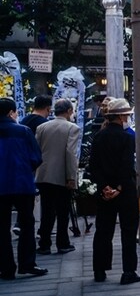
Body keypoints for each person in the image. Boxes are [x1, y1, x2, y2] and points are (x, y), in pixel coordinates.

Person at [88, 98, 140, 285]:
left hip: (104, 191)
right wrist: (118, 188)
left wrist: (105, 187)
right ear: (120, 116)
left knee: (103, 230)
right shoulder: (128, 137)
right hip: (124, 189)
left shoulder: (98, 137)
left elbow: (93, 166)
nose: (127, 118)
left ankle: (99, 269)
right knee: (128, 230)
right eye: (126, 115)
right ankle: (128, 271)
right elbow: (126, 166)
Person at [0, 97, 47, 279]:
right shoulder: (23, 131)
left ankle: (6, 267)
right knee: (27, 224)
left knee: (2, 227)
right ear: (11, 112)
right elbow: (36, 157)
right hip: (22, 183)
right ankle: (27, 263)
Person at [35, 99, 81, 255]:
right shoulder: (72, 128)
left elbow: (37, 150)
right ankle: (62, 243)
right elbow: (70, 154)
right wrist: (71, 177)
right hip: (61, 175)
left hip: (44, 174)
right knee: (63, 211)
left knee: (46, 211)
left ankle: (44, 244)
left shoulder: (42, 127)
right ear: (68, 111)